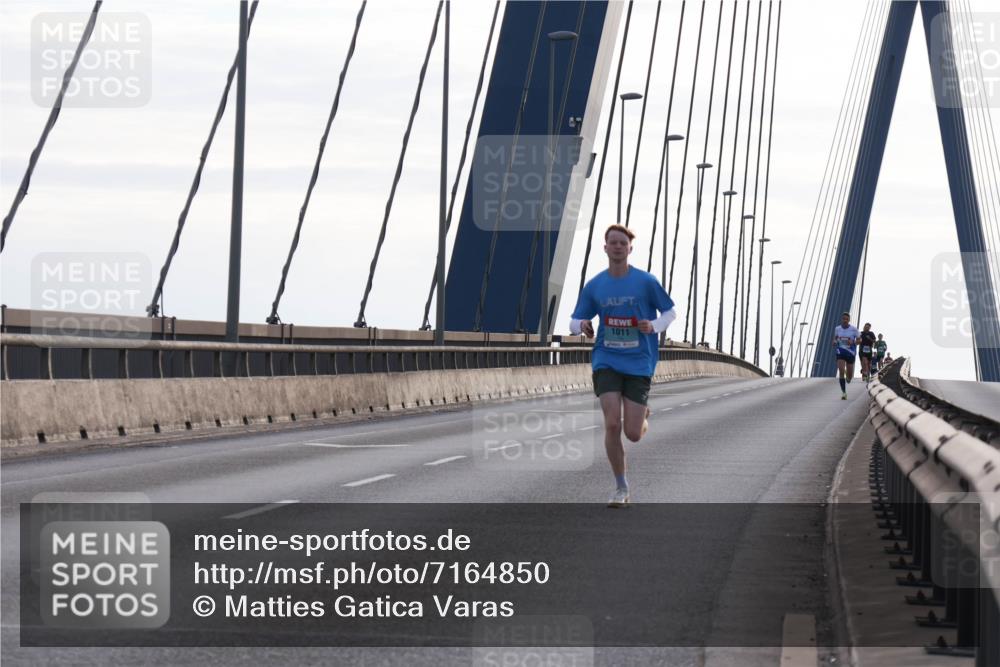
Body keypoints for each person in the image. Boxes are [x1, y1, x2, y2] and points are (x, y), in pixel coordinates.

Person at [570, 224, 678, 508]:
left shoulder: (646, 282)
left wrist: (653, 326)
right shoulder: (595, 285)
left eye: (622, 243)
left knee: (632, 432)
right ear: (604, 248)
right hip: (606, 359)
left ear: (630, 248)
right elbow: (573, 321)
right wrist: (582, 325)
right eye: (612, 243)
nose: (617, 247)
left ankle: (643, 417)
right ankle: (621, 488)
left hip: (639, 361)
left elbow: (670, 311)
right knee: (611, 424)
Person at [832, 312, 859, 400]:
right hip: (841, 351)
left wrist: (853, 342)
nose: (845, 320)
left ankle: (848, 377)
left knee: (849, 378)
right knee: (841, 370)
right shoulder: (837, 328)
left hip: (850, 353)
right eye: (843, 319)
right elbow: (836, 338)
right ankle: (844, 393)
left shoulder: (854, 329)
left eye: (846, 319)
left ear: (849, 320)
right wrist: (834, 342)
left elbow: (860, 340)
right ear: (842, 319)